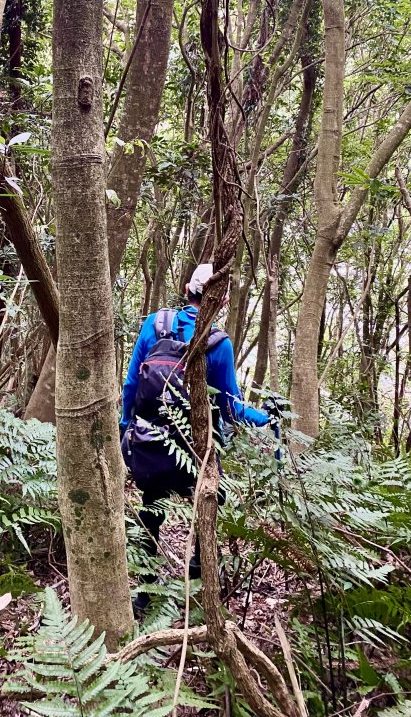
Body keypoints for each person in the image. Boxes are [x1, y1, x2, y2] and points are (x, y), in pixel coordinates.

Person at [120, 263, 269, 616]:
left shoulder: (154, 325)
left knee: (150, 510)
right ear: (221, 301)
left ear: (188, 291)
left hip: (149, 444)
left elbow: (130, 385)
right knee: (209, 505)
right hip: (194, 451)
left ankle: (143, 594)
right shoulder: (218, 344)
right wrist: (266, 417)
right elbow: (231, 407)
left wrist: (127, 427)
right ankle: (199, 585)